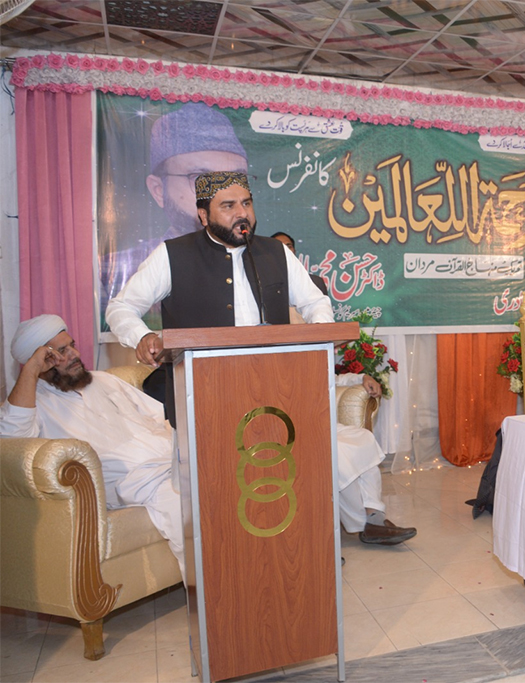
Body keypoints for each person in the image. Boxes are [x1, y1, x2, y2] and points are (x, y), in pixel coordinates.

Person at [106, 171, 411, 545]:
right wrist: (142, 336)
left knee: (280, 479)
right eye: (229, 206)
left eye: (247, 203)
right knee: (214, 494)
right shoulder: (173, 255)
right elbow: (121, 307)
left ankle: (291, 553)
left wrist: (320, 331)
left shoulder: (274, 252)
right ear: (203, 215)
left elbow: (315, 301)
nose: (242, 214)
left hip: (275, 395)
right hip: (204, 400)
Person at [1, 315, 186, 578]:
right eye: (62, 351)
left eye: (72, 345)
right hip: (130, 480)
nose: (75, 354)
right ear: (42, 362)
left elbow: (161, 418)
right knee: (185, 505)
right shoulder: (35, 405)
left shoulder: (104, 380)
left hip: (169, 462)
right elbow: (11, 442)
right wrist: (29, 371)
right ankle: (217, 594)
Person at [102, 103, 250, 311]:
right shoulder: (113, 269)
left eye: (236, 179)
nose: (222, 195)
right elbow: (122, 311)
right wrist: (144, 337)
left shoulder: (263, 256)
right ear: (158, 190)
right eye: (200, 179)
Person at [272, 230, 329, 295]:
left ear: (294, 251)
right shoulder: (264, 283)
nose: (286, 251)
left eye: (289, 247)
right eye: (281, 247)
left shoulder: (315, 282)